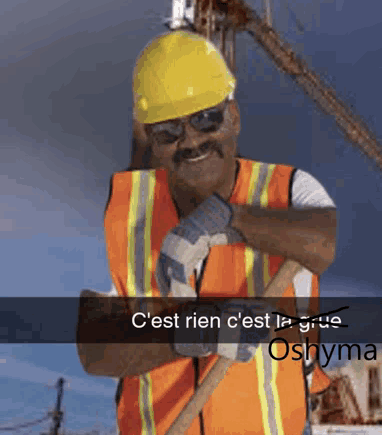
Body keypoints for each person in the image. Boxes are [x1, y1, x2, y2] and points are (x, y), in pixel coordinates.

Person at [78, 30, 337, 435]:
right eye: (169, 130)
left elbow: (323, 242)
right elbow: (95, 349)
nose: (192, 140)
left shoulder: (287, 191)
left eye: (205, 118)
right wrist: (198, 332)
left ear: (233, 116)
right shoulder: (128, 210)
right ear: (149, 137)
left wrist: (226, 220)